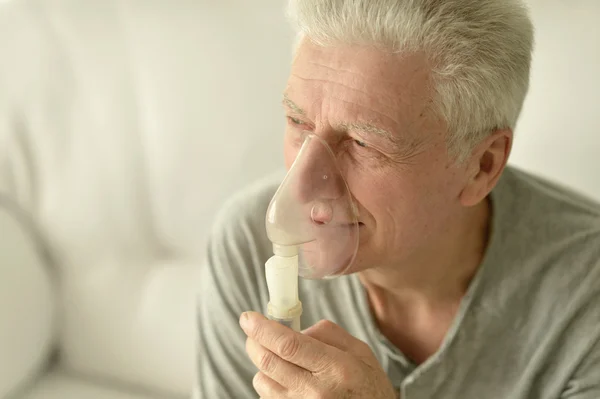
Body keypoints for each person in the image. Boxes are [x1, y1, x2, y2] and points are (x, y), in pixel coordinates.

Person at [197, 0, 600, 398]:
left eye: (361, 142)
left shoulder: (585, 299)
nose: (302, 188)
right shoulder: (248, 243)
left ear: (481, 165)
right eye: (299, 123)